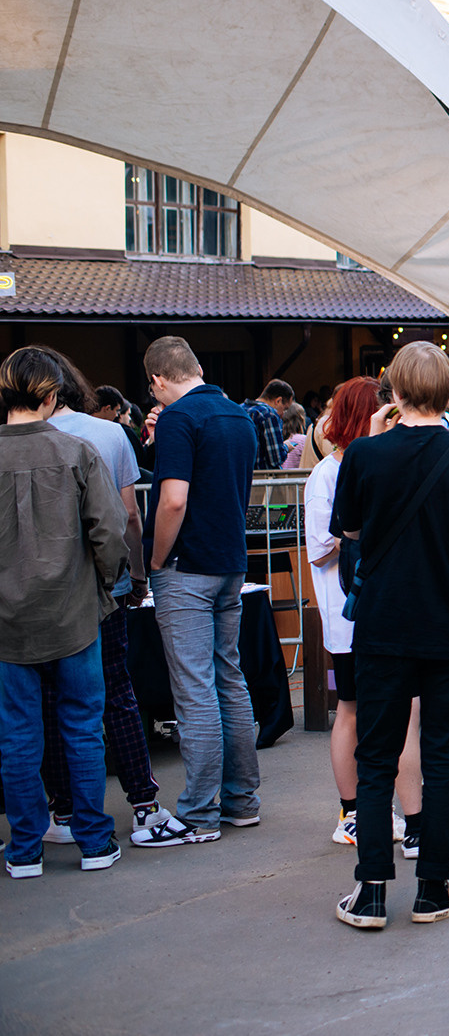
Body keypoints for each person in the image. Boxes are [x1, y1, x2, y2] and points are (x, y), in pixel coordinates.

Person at [330, 342, 449, 929]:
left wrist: (373, 439)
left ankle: (371, 892)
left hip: (381, 626)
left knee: (376, 759)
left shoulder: (363, 456)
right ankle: (435, 888)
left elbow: (351, 530)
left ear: (396, 392)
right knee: (440, 759)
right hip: (448, 626)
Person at [0, 347, 129, 877]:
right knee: (82, 726)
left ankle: (24, 848)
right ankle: (94, 842)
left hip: (7, 621)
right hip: (75, 611)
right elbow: (110, 532)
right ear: (52, 396)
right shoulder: (77, 452)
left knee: (17, 734)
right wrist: (107, 584)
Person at [135, 335, 261, 848]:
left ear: (158, 380)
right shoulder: (239, 416)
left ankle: (199, 813)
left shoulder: (178, 419)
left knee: (194, 688)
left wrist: (156, 558)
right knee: (229, 678)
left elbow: (173, 500)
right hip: (230, 559)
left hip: (186, 565)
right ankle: (241, 800)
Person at [37, 348, 162, 842]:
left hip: (43, 592)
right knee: (116, 694)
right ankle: (144, 803)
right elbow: (129, 516)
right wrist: (135, 576)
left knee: (51, 699)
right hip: (106, 587)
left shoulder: (17, 439)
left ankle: (65, 810)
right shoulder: (109, 433)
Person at [305, 378, 417, 849]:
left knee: (386, 710)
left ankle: (383, 808)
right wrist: (357, 528)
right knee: (351, 708)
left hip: (383, 609)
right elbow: (318, 549)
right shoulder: (326, 475)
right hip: (348, 612)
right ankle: (351, 812)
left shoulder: (375, 463)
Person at [243, 378, 293, 471]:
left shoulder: (240, 409)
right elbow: (276, 459)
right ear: (278, 401)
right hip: (262, 475)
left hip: (242, 474)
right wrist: (286, 447)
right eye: (285, 409)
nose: (283, 414)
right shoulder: (269, 414)